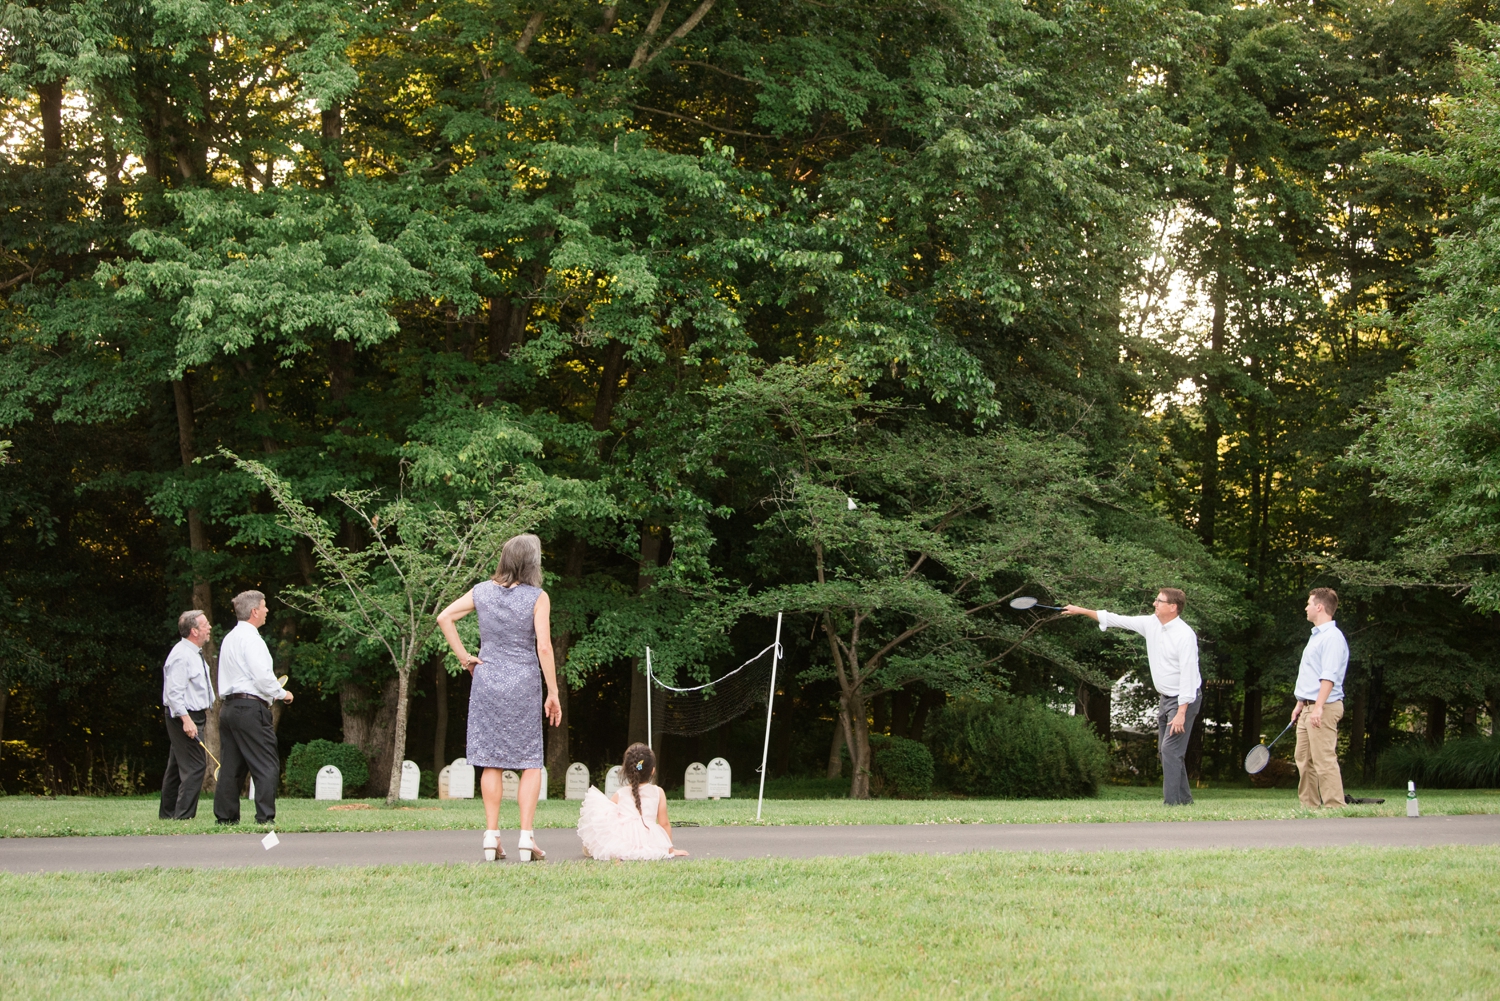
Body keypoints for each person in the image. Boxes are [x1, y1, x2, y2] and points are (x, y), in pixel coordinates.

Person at [437, 533, 562, 863]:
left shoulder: (481, 592)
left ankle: (491, 838)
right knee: (529, 760)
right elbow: (544, 647)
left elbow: (444, 618)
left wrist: (466, 658)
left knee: (490, 759)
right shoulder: (538, 597)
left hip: (487, 679)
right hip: (523, 681)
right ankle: (526, 838)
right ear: (531, 563)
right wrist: (553, 691)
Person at [1063, 588, 1202, 805]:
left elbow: (1189, 676)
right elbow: (1117, 620)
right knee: (1166, 751)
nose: (1154, 604)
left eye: (1159, 601)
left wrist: (1182, 712)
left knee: (1169, 750)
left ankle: (1172, 805)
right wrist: (1080, 610)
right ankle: (1185, 802)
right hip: (1166, 698)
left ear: (1173, 607)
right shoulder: (1151, 624)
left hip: (1184, 699)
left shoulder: (1185, 635)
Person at [212, 590, 292, 825]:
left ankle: (225, 819)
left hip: (228, 708)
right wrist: (282, 693)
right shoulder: (253, 639)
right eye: (265, 607)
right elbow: (262, 677)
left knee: (231, 765)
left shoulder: (229, 638)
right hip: (250, 708)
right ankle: (265, 818)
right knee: (266, 763)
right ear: (254, 611)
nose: (267, 610)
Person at [577, 742, 690, 860]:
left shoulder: (620, 794)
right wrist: (670, 849)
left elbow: (606, 818)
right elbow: (664, 823)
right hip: (650, 840)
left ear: (627, 770)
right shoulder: (658, 792)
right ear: (652, 770)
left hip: (625, 840)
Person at [1291, 587, 1349, 809]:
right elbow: (1310, 675)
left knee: (1323, 759)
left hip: (1323, 707)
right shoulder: (1316, 637)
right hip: (1307, 706)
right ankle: (1309, 808)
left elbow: (1328, 676)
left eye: (1308, 603)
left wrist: (1318, 708)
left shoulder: (1333, 638)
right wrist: (1300, 704)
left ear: (1319, 606)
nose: (1305, 607)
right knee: (1304, 760)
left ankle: (1335, 807)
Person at [159, 609, 216, 820]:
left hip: (192, 715)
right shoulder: (181, 655)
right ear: (194, 630)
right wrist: (186, 721)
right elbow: (174, 693)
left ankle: (167, 815)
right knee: (195, 766)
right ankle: (183, 817)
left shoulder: (193, 652)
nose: (209, 627)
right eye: (205, 624)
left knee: (176, 767)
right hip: (184, 716)